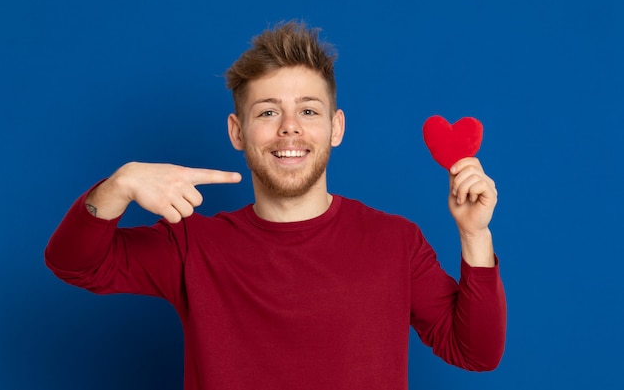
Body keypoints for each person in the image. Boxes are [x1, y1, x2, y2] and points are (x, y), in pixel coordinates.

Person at [45, 21, 506, 390]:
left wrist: (474, 234)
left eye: (308, 110)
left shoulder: (396, 241)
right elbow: (73, 264)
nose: (290, 128)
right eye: (267, 111)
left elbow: (476, 352)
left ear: (336, 127)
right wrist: (120, 184)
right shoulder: (191, 245)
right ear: (237, 132)